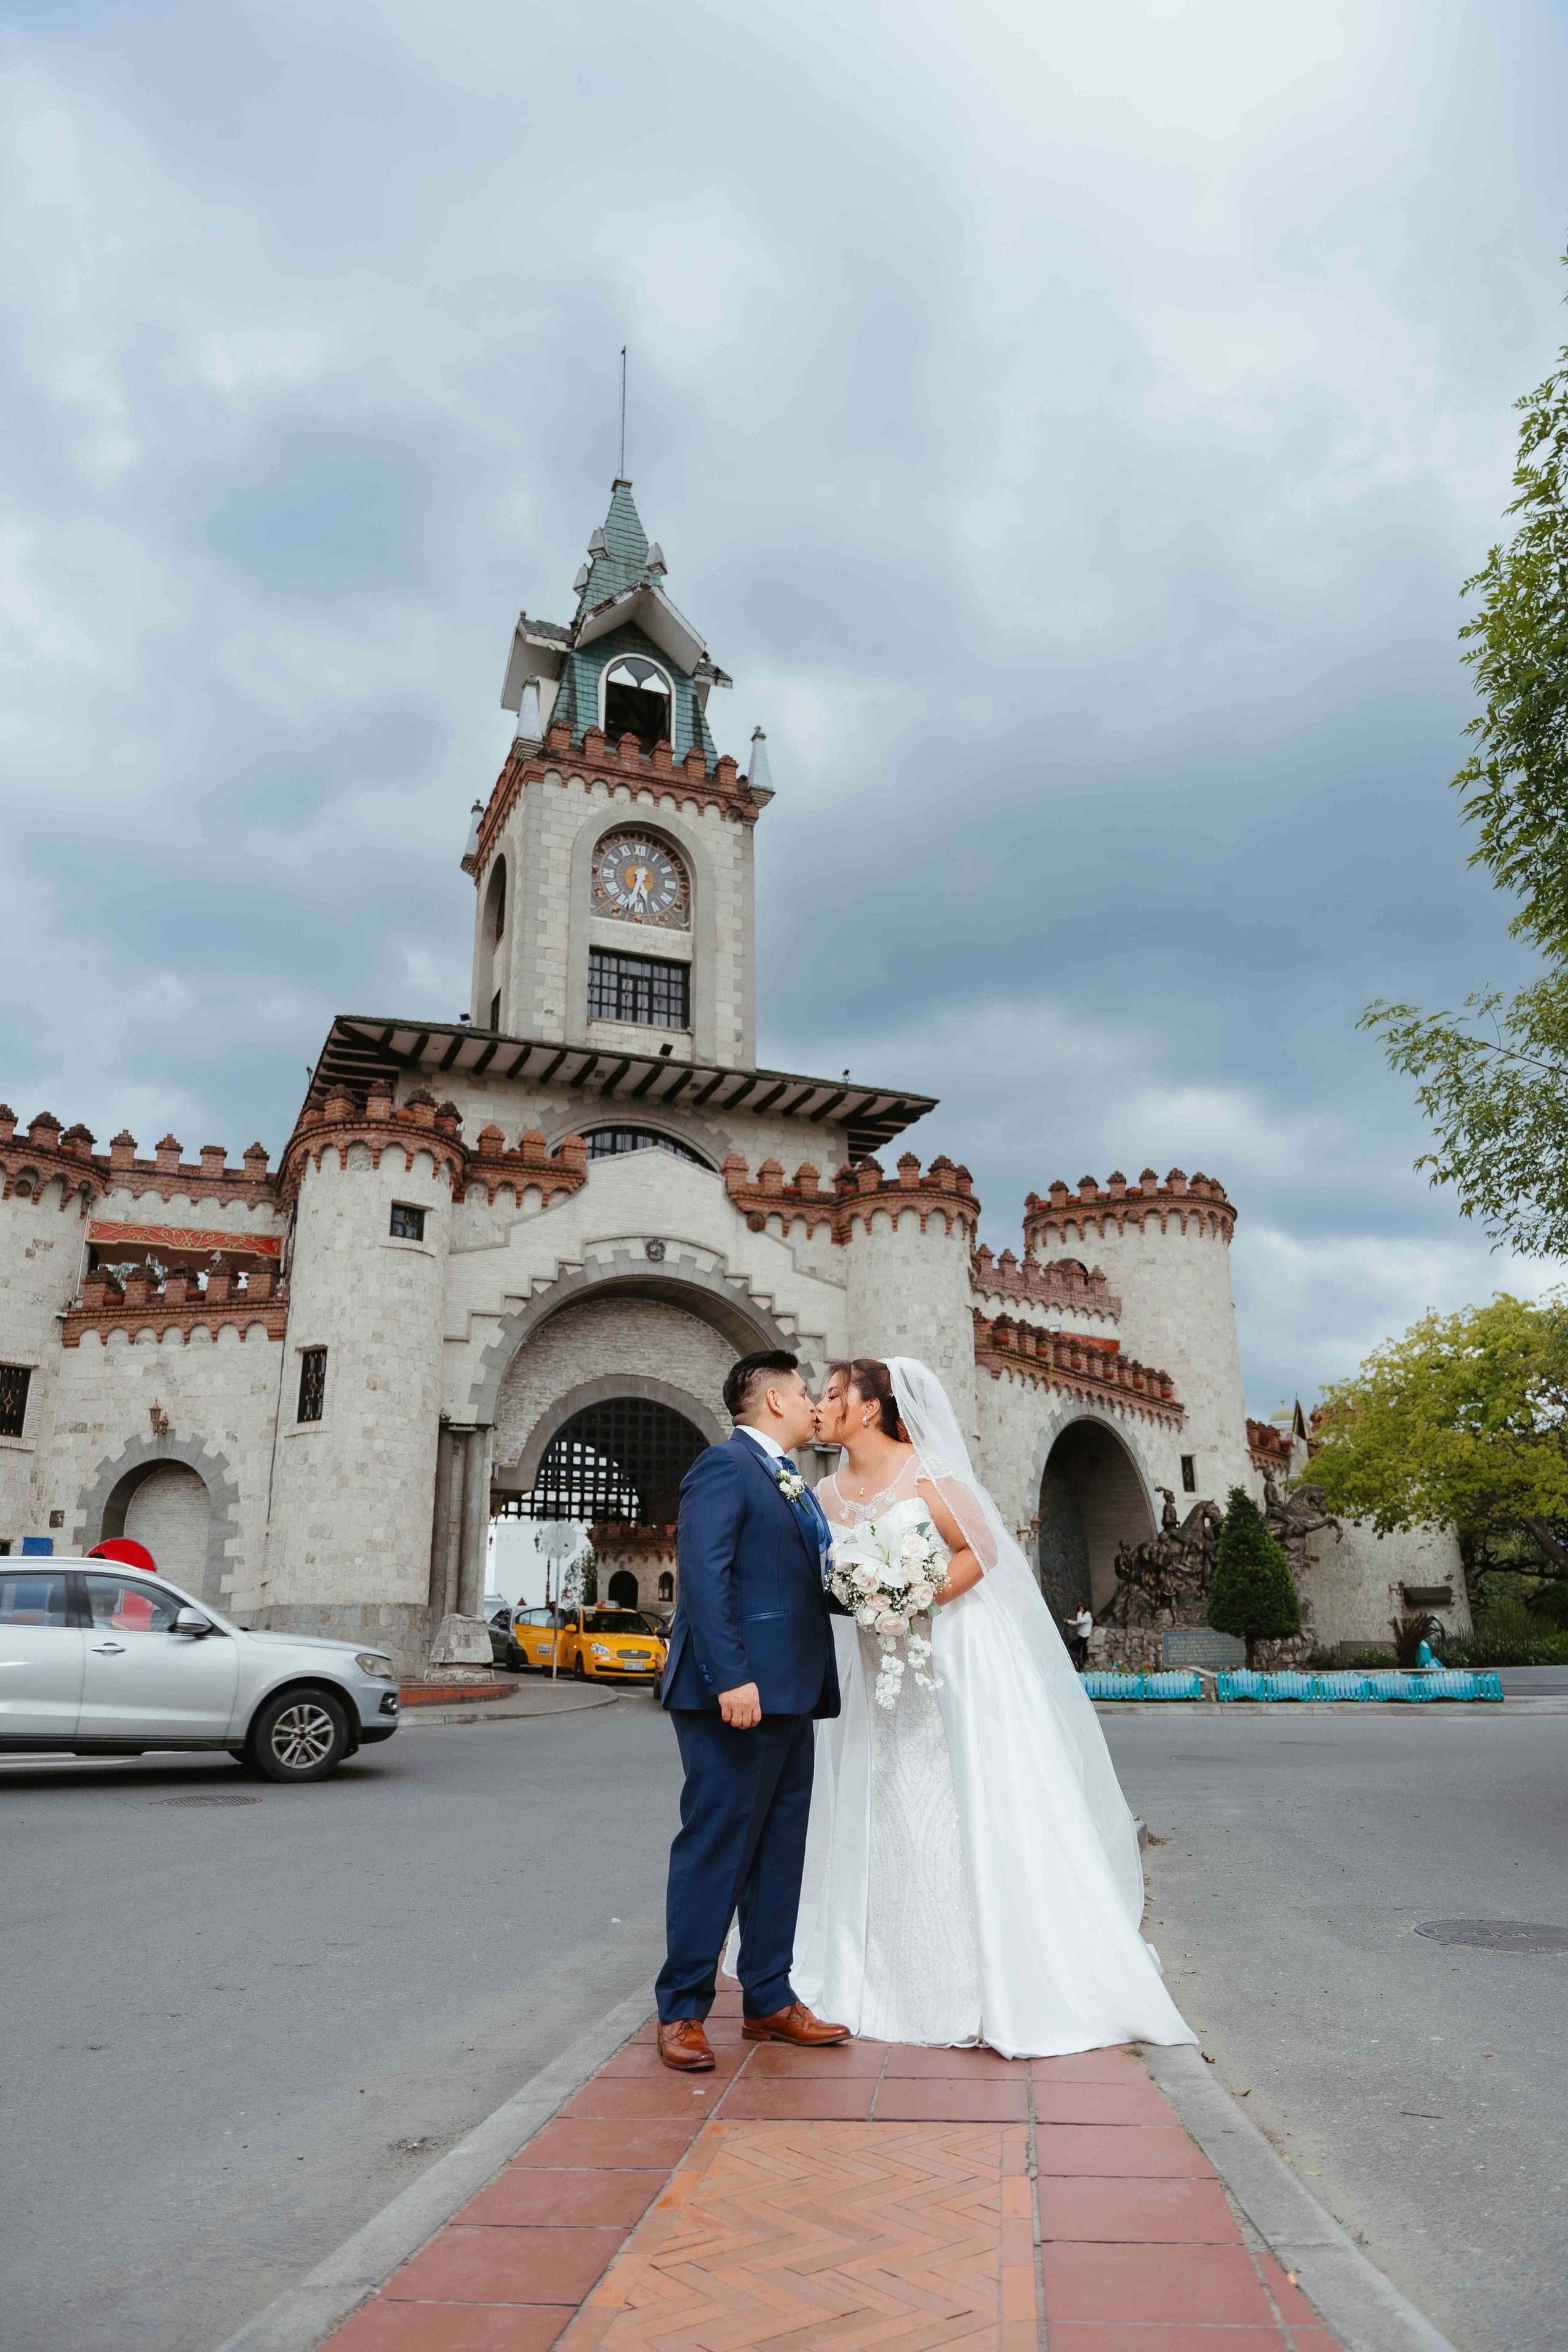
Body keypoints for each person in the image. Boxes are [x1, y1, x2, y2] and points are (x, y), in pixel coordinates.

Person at [794, 1356, 1196, 2057]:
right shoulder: (827, 1492)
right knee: (886, 1788)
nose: (820, 1404)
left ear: (868, 1408)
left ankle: (1000, 1970)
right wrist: (870, 1603)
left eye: (832, 1394)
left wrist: (911, 1600)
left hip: (952, 1647)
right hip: (880, 1661)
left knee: (966, 1786)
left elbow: (979, 1551)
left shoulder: (926, 1471)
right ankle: (880, 1965)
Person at [653, 1349, 850, 2073]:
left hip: (792, 1692)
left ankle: (768, 1997)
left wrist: (886, 1591)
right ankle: (681, 2011)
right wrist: (731, 1676)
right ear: (772, 1401)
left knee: (778, 1851)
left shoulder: (793, 1481)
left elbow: (803, 1579)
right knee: (716, 1848)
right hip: (732, 1696)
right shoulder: (724, 1467)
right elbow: (704, 1573)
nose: (811, 1404)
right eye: (803, 1393)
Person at [1065, 1603, 1093, 1668]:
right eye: (1079, 1609)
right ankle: (1079, 1662)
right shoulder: (1084, 1618)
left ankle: (1082, 1664)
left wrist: (1080, 1613)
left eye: (1082, 1609)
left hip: (1085, 1637)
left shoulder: (1087, 1617)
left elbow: (1079, 1621)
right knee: (1076, 1648)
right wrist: (1068, 1621)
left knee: (1083, 1652)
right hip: (1082, 1637)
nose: (1080, 1610)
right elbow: (1077, 1623)